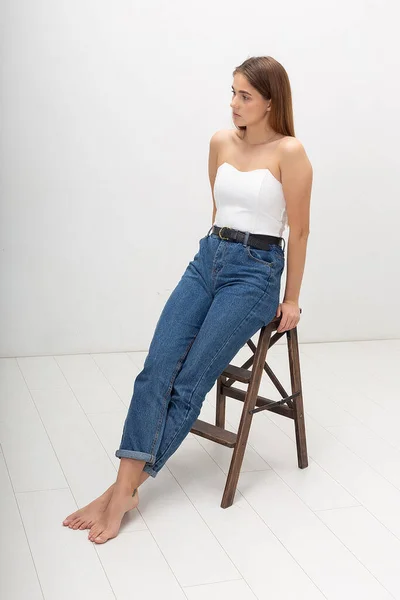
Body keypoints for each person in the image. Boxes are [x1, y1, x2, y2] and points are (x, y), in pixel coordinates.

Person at [62, 55, 313, 543]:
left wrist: (293, 298)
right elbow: (220, 209)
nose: (234, 104)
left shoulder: (291, 152)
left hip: (256, 276)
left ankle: (120, 493)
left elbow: (299, 232)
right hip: (209, 258)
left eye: (245, 95)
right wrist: (214, 258)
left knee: (191, 378)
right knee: (156, 369)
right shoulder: (220, 142)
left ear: (269, 102)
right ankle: (124, 491)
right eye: (233, 92)